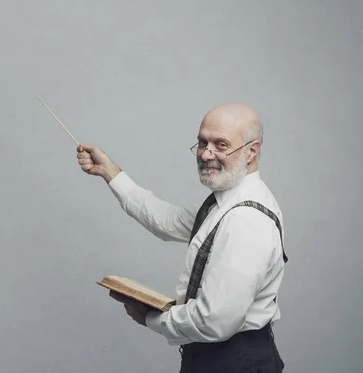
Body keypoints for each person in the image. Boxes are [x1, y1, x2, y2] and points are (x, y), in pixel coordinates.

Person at [77, 103, 287, 372]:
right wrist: (109, 171)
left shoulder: (246, 221)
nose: (206, 154)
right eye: (202, 142)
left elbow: (215, 321)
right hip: (217, 357)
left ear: (251, 151)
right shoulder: (223, 204)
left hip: (235, 362)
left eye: (221, 145)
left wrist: (151, 318)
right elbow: (166, 221)